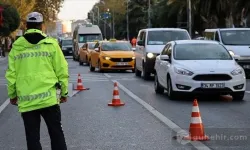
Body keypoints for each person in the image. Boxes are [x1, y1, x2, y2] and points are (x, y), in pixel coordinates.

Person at [5, 12, 68, 150]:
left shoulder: (17, 46)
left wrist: (12, 94)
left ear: (26, 26)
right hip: (49, 98)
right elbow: (62, 70)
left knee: (32, 137)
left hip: (28, 100)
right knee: (56, 133)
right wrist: (64, 92)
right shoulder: (51, 43)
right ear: (41, 26)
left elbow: (11, 74)